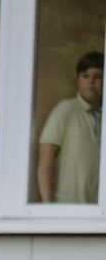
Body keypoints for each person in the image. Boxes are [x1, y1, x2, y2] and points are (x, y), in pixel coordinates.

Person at [37, 50, 101, 206]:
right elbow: (46, 153)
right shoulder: (66, 110)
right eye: (85, 76)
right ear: (78, 79)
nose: (91, 81)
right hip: (69, 208)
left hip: (100, 212)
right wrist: (47, 203)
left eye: (98, 76)